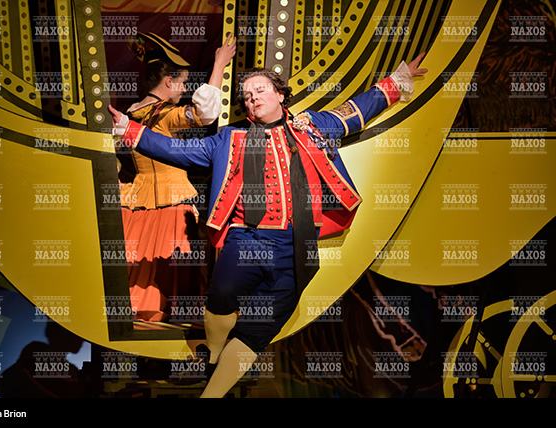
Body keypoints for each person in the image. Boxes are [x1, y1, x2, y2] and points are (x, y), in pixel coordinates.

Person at [109, 52, 428, 397]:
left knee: (257, 332)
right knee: (222, 294)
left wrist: (397, 82)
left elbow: (357, 110)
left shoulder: (312, 126)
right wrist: (130, 129)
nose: (253, 98)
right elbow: (176, 150)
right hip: (247, 237)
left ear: (280, 94)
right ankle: (212, 354)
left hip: (296, 245)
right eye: (247, 96)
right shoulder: (229, 138)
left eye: (260, 90)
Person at [116, 32, 236, 323]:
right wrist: (219, 65)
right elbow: (205, 113)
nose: (183, 89)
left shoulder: (128, 114)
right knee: (170, 275)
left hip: (134, 204)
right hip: (171, 203)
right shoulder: (165, 115)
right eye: (182, 83)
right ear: (168, 82)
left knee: (137, 274)